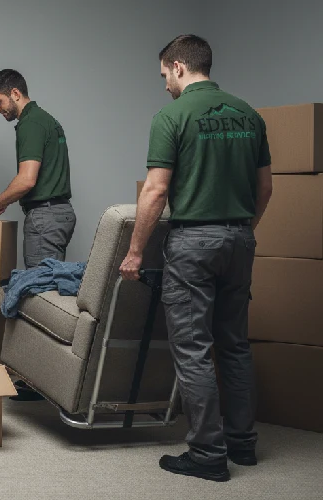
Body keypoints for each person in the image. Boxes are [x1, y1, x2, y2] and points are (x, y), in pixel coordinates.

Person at [120, 35, 273, 482]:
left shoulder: (172, 115)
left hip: (193, 244)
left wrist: (134, 252)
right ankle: (242, 445)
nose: (164, 84)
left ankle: (207, 454)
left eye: (165, 74)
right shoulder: (249, 114)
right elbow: (265, 190)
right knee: (235, 345)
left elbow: (156, 189)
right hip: (240, 239)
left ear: (180, 68)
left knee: (193, 349)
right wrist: (240, 232)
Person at [0, 69, 76, 268]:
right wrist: (7, 201)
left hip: (45, 217)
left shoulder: (31, 123)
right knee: (47, 283)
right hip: (59, 214)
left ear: (15, 94)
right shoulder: (45, 119)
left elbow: (27, 179)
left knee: (39, 289)